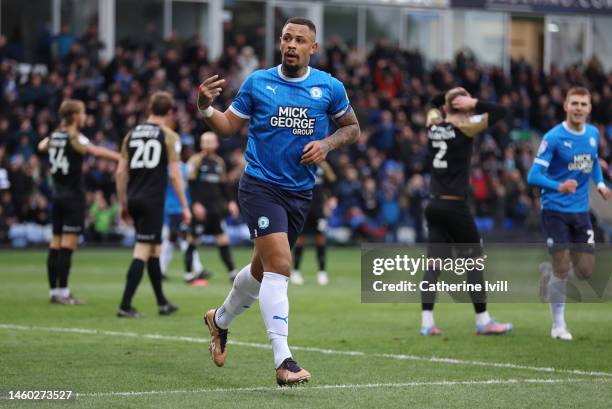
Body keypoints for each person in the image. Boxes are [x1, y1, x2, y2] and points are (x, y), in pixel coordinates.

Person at [197, 17, 360, 385]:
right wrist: (206, 109)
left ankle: (219, 320)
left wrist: (326, 144)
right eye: (286, 38)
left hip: (300, 193)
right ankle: (283, 360)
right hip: (259, 185)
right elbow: (227, 127)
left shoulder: (329, 87)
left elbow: (352, 127)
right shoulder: (258, 82)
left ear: (312, 48)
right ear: (280, 43)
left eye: (299, 40)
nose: (291, 44)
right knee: (281, 265)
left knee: (260, 270)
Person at [420, 87, 513, 336]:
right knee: (474, 262)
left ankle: (427, 322)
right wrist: (473, 100)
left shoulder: (433, 123)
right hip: (455, 205)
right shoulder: (467, 126)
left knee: (434, 264)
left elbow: (432, 99)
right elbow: (502, 111)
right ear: (464, 107)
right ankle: (483, 321)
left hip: (433, 203)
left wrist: (448, 97)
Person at [527, 87, 611, 340]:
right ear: (565, 105)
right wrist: (558, 186)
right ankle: (558, 326)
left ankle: (550, 276)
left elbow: (592, 161)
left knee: (585, 271)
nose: (578, 108)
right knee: (562, 268)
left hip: (581, 212)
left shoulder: (594, 134)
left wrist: (599, 184)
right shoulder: (553, 137)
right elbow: (534, 175)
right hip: (554, 210)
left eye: (583, 104)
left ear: (589, 108)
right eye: (574, 103)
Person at [115, 91, 191, 318]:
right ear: (169, 113)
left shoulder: (131, 134)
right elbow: (175, 176)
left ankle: (162, 303)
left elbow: (120, 172)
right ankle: (125, 305)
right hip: (152, 200)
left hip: (134, 197)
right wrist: (185, 205)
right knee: (142, 250)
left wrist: (122, 203)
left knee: (155, 250)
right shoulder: (169, 136)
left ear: (149, 108)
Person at [38, 99, 120, 304]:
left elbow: (41, 146)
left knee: (55, 244)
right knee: (68, 246)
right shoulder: (75, 136)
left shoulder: (55, 135)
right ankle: (64, 292)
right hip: (73, 196)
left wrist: (57, 133)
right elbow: (94, 151)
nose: (85, 117)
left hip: (56, 196)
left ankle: (53, 292)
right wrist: (121, 157)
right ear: (75, 116)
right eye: (82, 113)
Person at [186, 131, 239, 283]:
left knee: (223, 240)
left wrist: (231, 202)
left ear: (216, 144)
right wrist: (195, 204)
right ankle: (188, 274)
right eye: (206, 141)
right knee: (192, 240)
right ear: (201, 144)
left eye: (212, 141)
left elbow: (224, 185)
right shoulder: (195, 161)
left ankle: (232, 272)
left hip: (215, 208)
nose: (209, 144)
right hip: (200, 209)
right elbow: (191, 185)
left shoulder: (219, 162)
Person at [290, 162, 336, 285]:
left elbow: (332, 179)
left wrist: (324, 164)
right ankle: (296, 271)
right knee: (300, 238)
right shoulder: (301, 162)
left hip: (319, 209)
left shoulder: (322, 163)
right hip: (303, 206)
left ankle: (322, 272)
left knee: (320, 238)